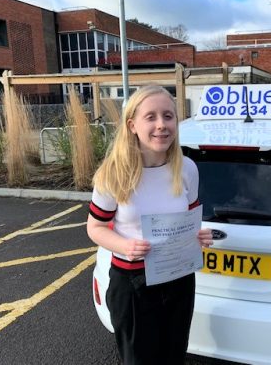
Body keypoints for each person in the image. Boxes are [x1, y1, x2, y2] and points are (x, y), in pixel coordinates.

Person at [87, 85, 213, 365]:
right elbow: (94, 228)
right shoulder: (114, 173)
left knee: (174, 357)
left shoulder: (187, 169)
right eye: (151, 117)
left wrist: (198, 235)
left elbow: (189, 218)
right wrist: (125, 245)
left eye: (168, 116)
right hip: (133, 286)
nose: (161, 125)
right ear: (132, 125)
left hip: (179, 281)